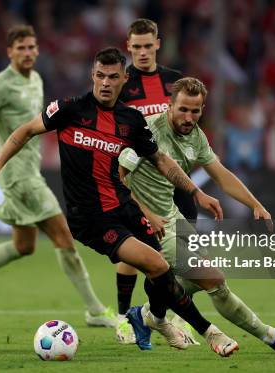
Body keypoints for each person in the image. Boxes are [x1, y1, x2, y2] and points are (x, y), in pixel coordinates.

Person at [0, 47, 240, 357]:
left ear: (124, 79)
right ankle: (209, 332)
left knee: (160, 268)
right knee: (157, 264)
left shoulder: (130, 120)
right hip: (90, 218)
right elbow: (25, 131)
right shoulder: (70, 109)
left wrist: (195, 192)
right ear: (92, 76)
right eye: (100, 75)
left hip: (124, 205)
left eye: (113, 77)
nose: (105, 82)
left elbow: (160, 161)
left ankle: (150, 319)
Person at [0, 25, 116, 328]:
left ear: (37, 50)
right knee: (63, 236)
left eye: (31, 47)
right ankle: (95, 309)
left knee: (24, 245)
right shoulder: (0, 84)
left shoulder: (36, 80)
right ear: (9, 52)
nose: (27, 53)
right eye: (21, 48)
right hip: (18, 176)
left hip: (30, 171)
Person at [118, 77, 275, 353]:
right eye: (182, 109)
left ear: (202, 109)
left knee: (191, 281)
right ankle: (272, 337)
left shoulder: (195, 136)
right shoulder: (147, 131)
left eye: (195, 111)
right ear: (170, 105)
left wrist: (254, 204)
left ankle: (147, 316)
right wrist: (146, 213)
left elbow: (220, 174)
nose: (188, 117)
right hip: (148, 225)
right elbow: (119, 179)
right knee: (214, 280)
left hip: (173, 218)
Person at [115, 19, 197, 341]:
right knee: (134, 251)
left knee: (183, 249)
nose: (143, 52)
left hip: (175, 177)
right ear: (128, 47)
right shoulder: (121, 83)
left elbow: (188, 121)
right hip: (142, 182)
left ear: (158, 44)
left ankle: (166, 316)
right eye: (136, 47)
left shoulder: (175, 81)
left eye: (148, 45)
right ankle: (123, 318)